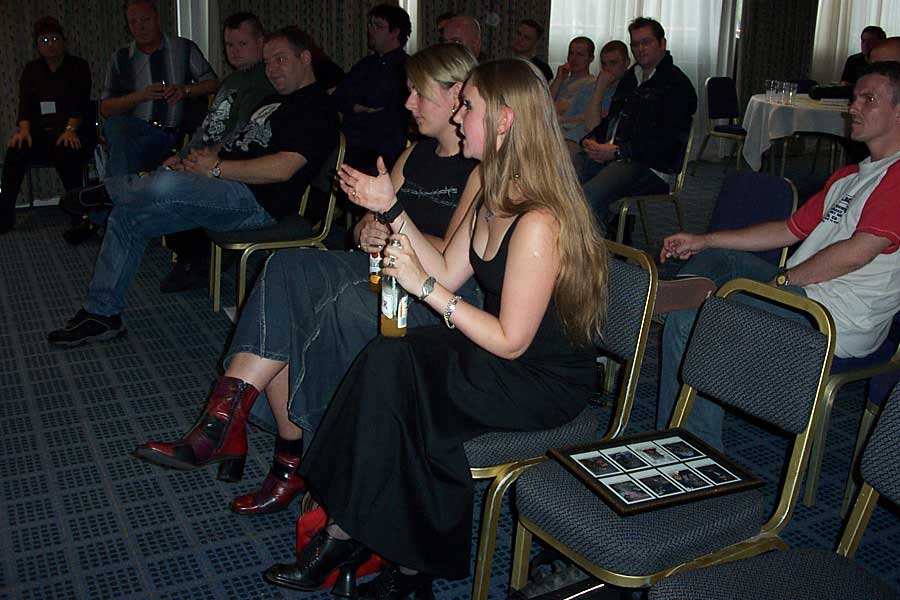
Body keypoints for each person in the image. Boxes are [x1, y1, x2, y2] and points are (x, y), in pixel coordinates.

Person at [262, 57, 608, 598]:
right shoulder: (493, 185)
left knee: (412, 395)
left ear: (504, 120)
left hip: (541, 379)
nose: (458, 117)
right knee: (389, 358)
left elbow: (508, 339)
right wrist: (391, 207)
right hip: (500, 355)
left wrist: (423, 288)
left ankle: (356, 536)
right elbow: (448, 268)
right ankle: (384, 552)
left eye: (468, 106)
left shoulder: (540, 220)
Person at [133, 43, 481, 517]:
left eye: (419, 93)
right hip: (382, 271)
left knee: (299, 309)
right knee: (284, 267)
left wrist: (391, 221)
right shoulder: (413, 154)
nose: (408, 102)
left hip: (429, 295)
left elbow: (450, 258)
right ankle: (228, 423)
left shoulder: (479, 166)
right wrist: (368, 227)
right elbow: (366, 225)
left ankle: (276, 455)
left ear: (456, 94)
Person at [656, 61, 900, 450]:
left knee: (691, 325)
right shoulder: (852, 176)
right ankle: (678, 298)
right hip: (805, 293)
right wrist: (704, 240)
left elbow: (858, 252)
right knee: (721, 258)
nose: (853, 107)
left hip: (835, 318)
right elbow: (789, 229)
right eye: (854, 97)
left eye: (868, 99)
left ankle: (688, 449)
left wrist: (783, 282)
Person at [47, 27, 339, 347]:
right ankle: (101, 314)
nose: (272, 69)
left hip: (256, 202)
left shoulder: (317, 108)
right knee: (127, 215)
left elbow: (283, 169)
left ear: (305, 58)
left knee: (163, 184)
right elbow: (236, 143)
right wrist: (196, 160)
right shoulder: (272, 101)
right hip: (222, 187)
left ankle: (108, 190)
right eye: (268, 62)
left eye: (281, 59)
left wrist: (215, 168)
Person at [63, 0, 219, 244]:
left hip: (168, 136)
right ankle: (115, 214)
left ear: (157, 19)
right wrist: (141, 96)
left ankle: (102, 213)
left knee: (121, 152)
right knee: (118, 133)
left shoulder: (183, 48)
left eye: (145, 20)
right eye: (133, 23)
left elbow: (213, 83)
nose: (140, 27)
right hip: (132, 132)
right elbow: (105, 108)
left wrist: (185, 90)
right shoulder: (121, 58)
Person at [158, 12, 276, 293]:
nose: (234, 51)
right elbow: (206, 129)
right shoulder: (231, 80)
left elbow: (242, 133)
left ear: (261, 43)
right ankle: (192, 254)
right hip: (206, 156)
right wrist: (183, 155)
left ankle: (200, 258)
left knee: (177, 187)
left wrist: (201, 162)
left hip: (230, 164)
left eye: (242, 44)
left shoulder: (264, 81)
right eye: (229, 45)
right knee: (165, 177)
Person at [576, 17, 696, 229]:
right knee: (564, 178)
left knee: (588, 196)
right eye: (635, 44)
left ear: (662, 43)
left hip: (651, 166)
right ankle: (610, 229)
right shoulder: (631, 77)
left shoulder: (677, 85)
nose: (640, 49)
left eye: (646, 42)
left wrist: (618, 152)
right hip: (617, 155)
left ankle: (595, 243)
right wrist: (591, 140)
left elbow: (665, 143)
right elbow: (611, 121)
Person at [0, 16, 91, 234]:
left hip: (71, 131)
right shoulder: (32, 70)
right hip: (40, 135)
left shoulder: (78, 66)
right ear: (37, 45)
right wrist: (24, 131)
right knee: (16, 149)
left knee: (66, 149)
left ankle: (78, 214)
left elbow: (81, 102)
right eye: (45, 40)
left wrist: (70, 129)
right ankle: (4, 215)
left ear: (64, 41)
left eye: (55, 39)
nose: (50, 44)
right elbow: (25, 104)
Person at [333, 3, 411, 172]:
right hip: (351, 145)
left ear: (395, 32)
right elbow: (339, 97)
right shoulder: (365, 64)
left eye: (378, 26)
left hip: (382, 150)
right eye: (370, 25)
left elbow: (385, 106)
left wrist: (359, 107)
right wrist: (357, 107)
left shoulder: (407, 67)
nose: (370, 30)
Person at [549, 36, 596, 156]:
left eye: (580, 55)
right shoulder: (559, 81)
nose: (574, 59)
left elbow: (563, 109)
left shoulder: (592, 84)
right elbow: (543, 105)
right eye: (571, 53)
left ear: (591, 58)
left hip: (569, 133)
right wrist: (559, 79)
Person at [583, 40, 631, 132]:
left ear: (627, 63)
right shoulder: (588, 89)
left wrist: (600, 89)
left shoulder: (630, 93)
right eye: (604, 64)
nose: (607, 68)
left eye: (613, 63)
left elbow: (592, 128)